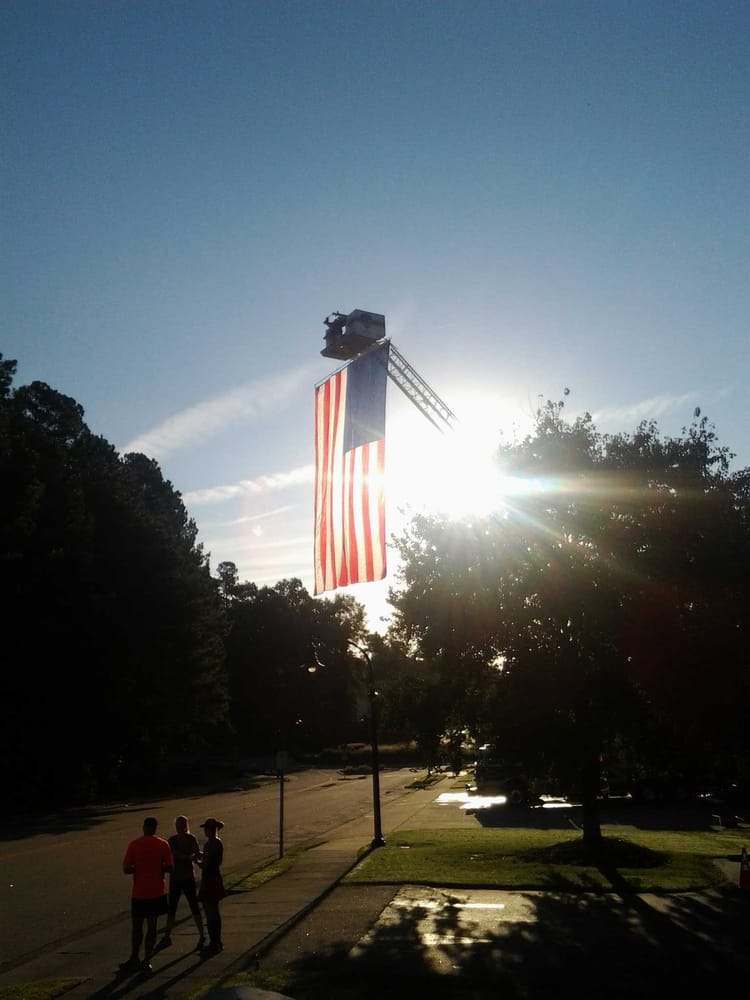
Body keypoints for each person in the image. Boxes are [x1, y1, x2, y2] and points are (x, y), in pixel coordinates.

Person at [121, 816, 173, 973]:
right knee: (152, 927)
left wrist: (139, 868)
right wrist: (157, 868)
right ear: (155, 828)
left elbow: (126, 869)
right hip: (156, 891)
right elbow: (169, 867)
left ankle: (134, 956)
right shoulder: (163, 844)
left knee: (137, 927)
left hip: (139, 892)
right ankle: (147, 959)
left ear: (144, 827)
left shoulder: (135, 844)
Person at [158, 815, 205, 951]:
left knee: (192, 905)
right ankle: (168, 935)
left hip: (184, 877)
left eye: (181, 824)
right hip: (178, 877)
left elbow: (194, 854)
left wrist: (196, 857)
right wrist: (192, 857)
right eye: (178, 825)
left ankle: (201, 934)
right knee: (173, 907)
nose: (179, 827)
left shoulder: (188, 839)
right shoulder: (174, 840)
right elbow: (175, 855)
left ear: (185, 826)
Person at [197, 817, 226, 954]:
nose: (205, 831)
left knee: (210, 912)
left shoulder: (210, 844)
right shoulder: (217, 843)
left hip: (209, 878)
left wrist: (196, 861)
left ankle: (214, 942)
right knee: (213, 911)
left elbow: (206, 864)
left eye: (206, 829)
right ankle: (216, 941)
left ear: (210, 830)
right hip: (215, 877)